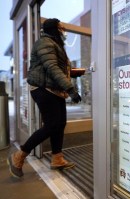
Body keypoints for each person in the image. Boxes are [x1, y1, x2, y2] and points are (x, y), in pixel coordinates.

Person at [7, 18, 82, 178]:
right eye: (61, 28)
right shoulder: (45, 43)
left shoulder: (55, 43)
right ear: (54, 29)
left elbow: (57, 67)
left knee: (60, 123)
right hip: (43, 88)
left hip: (54, 89)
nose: (63, 31)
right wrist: (70, 88)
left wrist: (74, 73)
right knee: (52, 124)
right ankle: (18, 156)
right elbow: (52, 67)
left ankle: (57, 158)